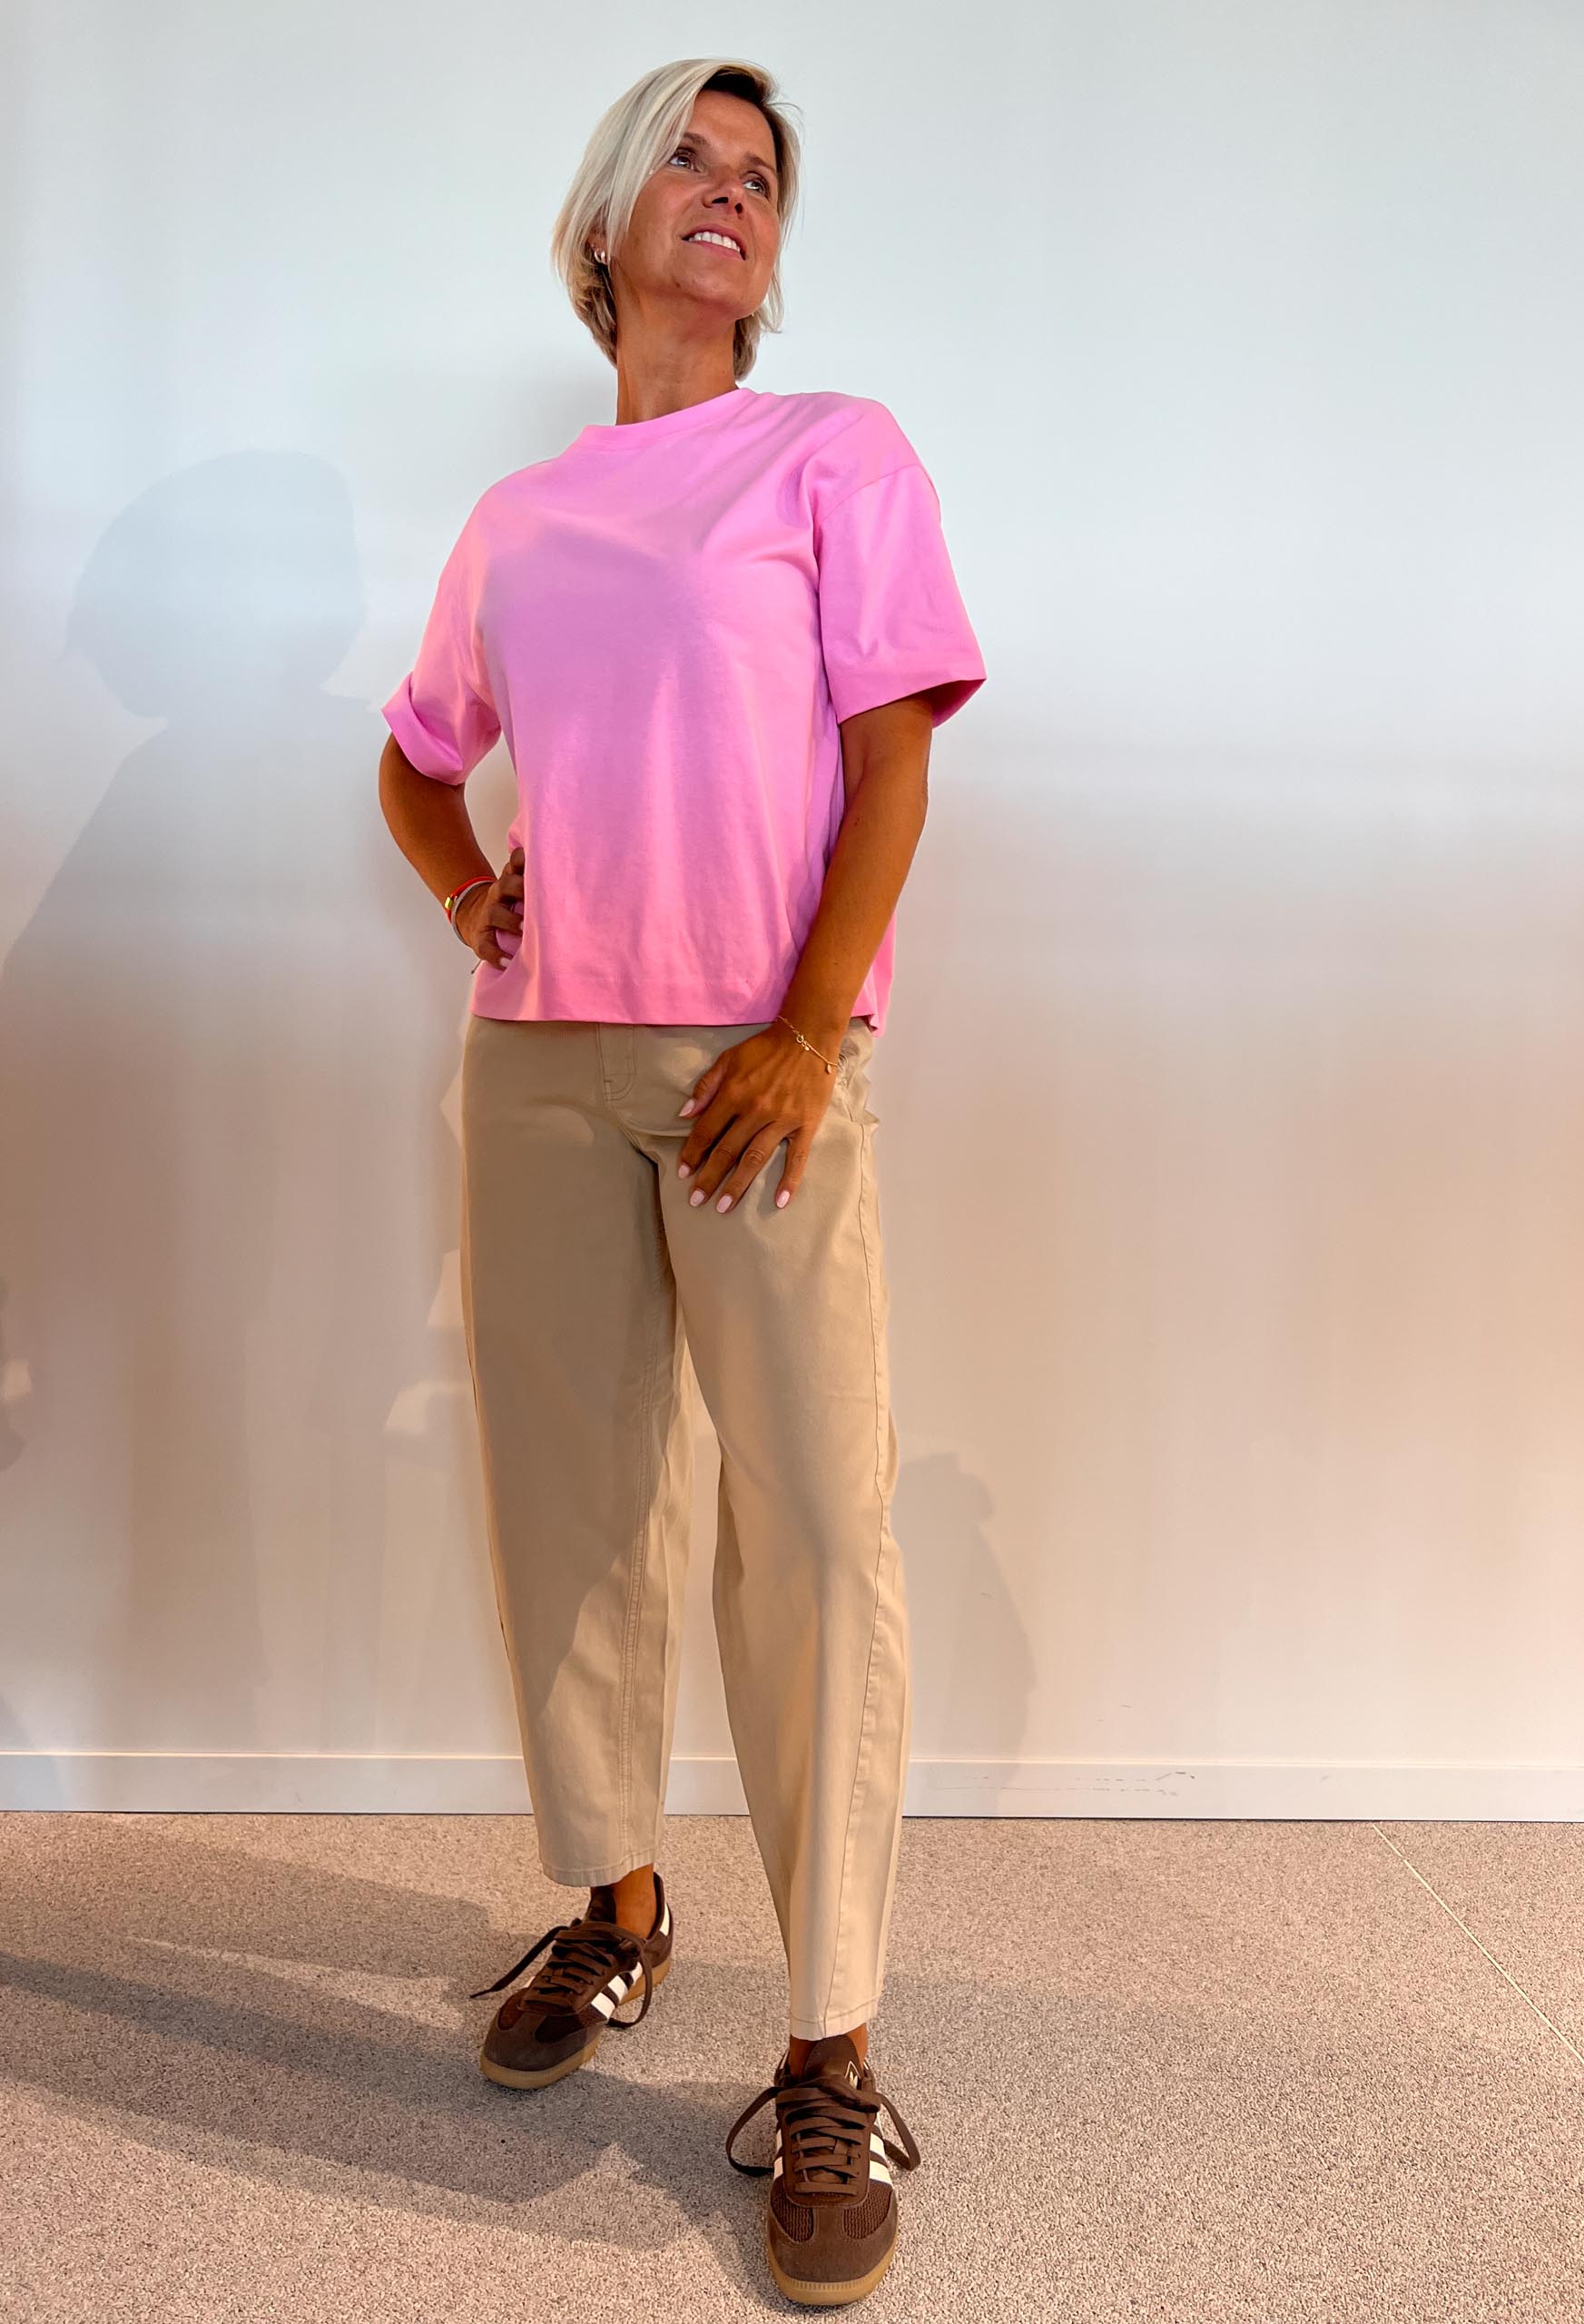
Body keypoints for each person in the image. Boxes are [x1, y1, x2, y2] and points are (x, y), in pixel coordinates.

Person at [377, 55, 985, 2309]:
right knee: (575, 1502)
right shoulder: (520, 517)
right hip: (540, 1063)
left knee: (813, 1526)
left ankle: (828, 2046)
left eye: (761, 177)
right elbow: (416, 757)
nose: (729, 193)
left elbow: (891, 761)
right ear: (608, 221)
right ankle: (621, 1907)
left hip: (761, 1066)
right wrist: (472, 892)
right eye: (691, 162)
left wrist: (812, 1031)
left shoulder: (835, 453)